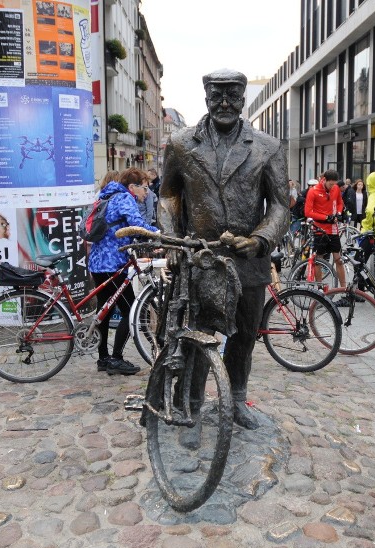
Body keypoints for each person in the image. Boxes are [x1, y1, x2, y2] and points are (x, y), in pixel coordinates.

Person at [158, 68, 288, 445]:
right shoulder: (181, 144)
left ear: (244, 98)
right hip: (200, 258)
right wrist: (171, 241)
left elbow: (280, 206)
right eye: (218, 96)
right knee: (198, 337)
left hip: (249, 261)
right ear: (206, 98)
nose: (225, 103)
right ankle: (193, 406)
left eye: (233, 95)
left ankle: (236, 400)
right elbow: (168, 197)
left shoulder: (267, 146)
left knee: (245, 336)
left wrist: (261, 238)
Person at [89, 167, 159, 375]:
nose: (147, 193)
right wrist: (158, 234)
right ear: (132, 187)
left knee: (104, 311)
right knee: (130, 311)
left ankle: (103, 358)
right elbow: (137, 225)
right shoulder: (124, 198)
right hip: (114, 263)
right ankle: (116, 358)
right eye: (144, 188)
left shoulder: (106, 196)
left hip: (97, 262)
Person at [304, 170, 346, 288]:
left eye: (334, 184)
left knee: (338, 259)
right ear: (324, 180)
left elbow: (340, 203)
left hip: (333, 229)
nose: (333, 186)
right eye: (330, 184)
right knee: (319, 259)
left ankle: (343, 288)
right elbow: (308, 212)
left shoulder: (336, 188)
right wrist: (326, 217)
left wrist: (338, 212)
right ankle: (320, 287)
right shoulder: (313, 191)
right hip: (319, 228)